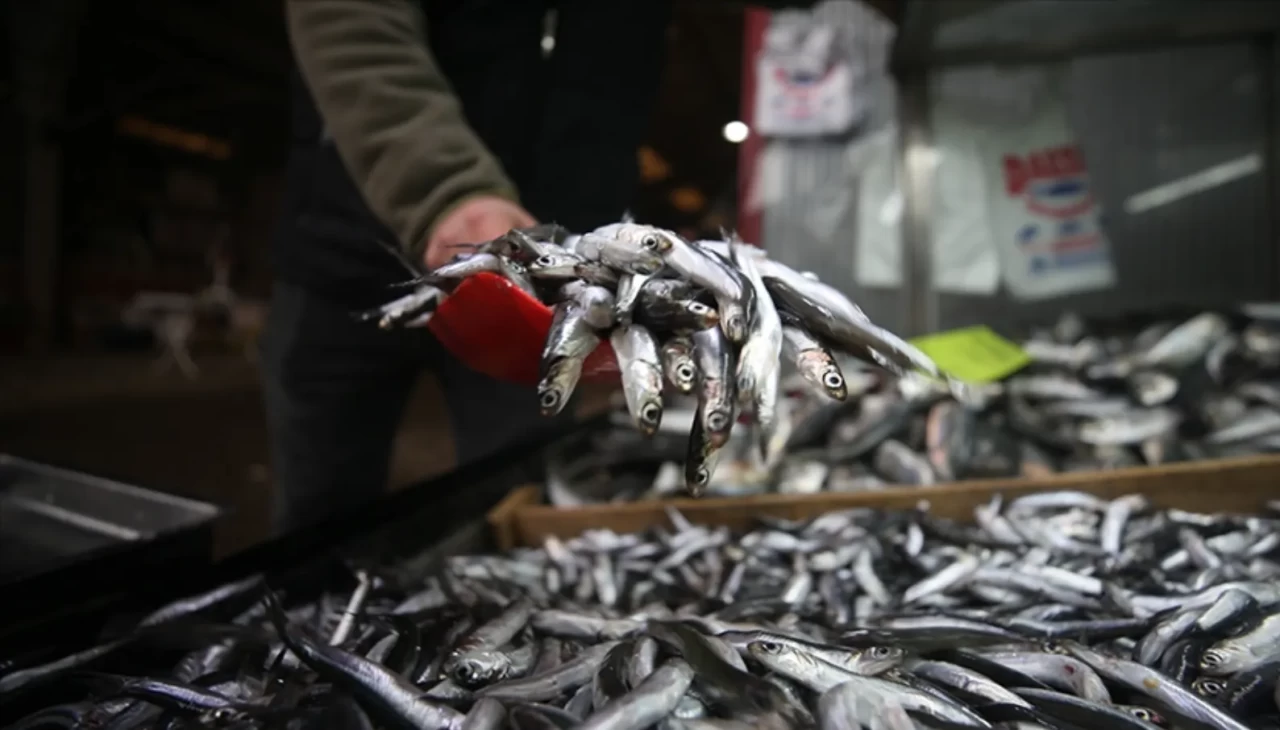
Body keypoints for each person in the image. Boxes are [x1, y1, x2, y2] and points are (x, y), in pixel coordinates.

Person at [264, 0, 671, 534]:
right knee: (319, 518)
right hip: (350, 254)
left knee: (515, 506)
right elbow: (349, 21)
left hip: (547, 301)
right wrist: (446, 190)